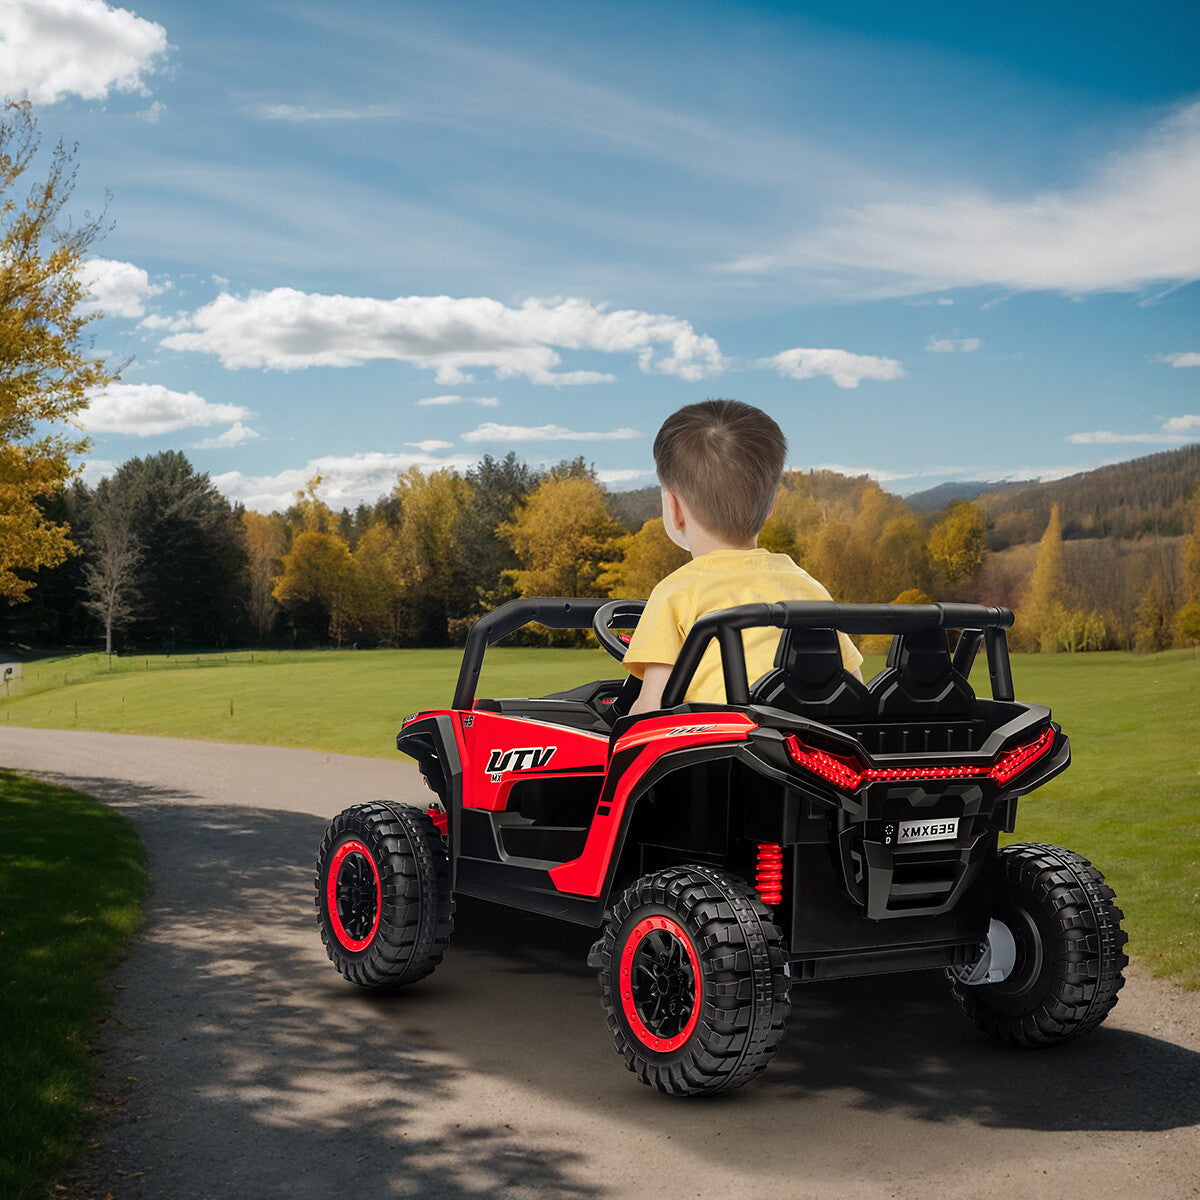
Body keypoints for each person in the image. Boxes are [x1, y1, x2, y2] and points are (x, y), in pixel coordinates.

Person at [623, 399, 863, 714]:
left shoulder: (675, 593)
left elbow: (651, 710)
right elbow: (855, 688)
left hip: (716, 755)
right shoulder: (808, 590)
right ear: (771, 506)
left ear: (673, 509)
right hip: (812, 755)